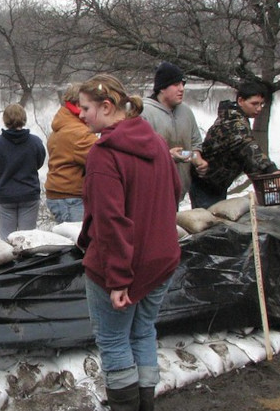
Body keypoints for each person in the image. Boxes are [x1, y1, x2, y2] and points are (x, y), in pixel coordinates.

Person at [76, 74, 181, 411]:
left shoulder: (104, 155)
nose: (80, 114)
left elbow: (109, 222)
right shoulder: (158, 145)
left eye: (86, 108)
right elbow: (175, 195)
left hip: (122, 266)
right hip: (161, 260)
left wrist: (119, 279)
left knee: (114, 339)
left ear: (107, 107)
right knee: (143, 332)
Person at [189, 82, 278, 209]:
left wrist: (259, 177)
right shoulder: (233, 122)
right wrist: (270, 169)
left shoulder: (238, 117)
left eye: (261, 104)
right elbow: (247, 145)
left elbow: (243, 155)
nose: (259, 108)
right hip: (205, 184)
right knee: (209, 223)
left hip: (218, 183)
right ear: (241, 100)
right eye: (254, 104)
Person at [141, 61, 209, 201]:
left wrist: (198, 160)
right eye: (176, 84)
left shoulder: (186, 111)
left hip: (178, 191)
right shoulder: (144, 113)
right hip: (152, 194)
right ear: (162, 88)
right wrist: (167, 156)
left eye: (183, 84)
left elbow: (194, 144)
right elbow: (139, 153)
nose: (182, 89)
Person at [0, 104, 46, 239]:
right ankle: (28, 260)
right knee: (28, 240)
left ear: (5, 120)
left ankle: (11, 260)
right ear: (24, 119)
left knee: (7, 240)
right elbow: (39, 163)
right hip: (29, 194)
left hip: (4, 196)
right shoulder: (35, 142)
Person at [45, 83, 98, 223]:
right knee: (76, 241)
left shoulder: (64, 123)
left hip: (61, 194)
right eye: (88, 105)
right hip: (70, 197)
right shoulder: (78, 132)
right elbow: (103, 159)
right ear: (78, 104)